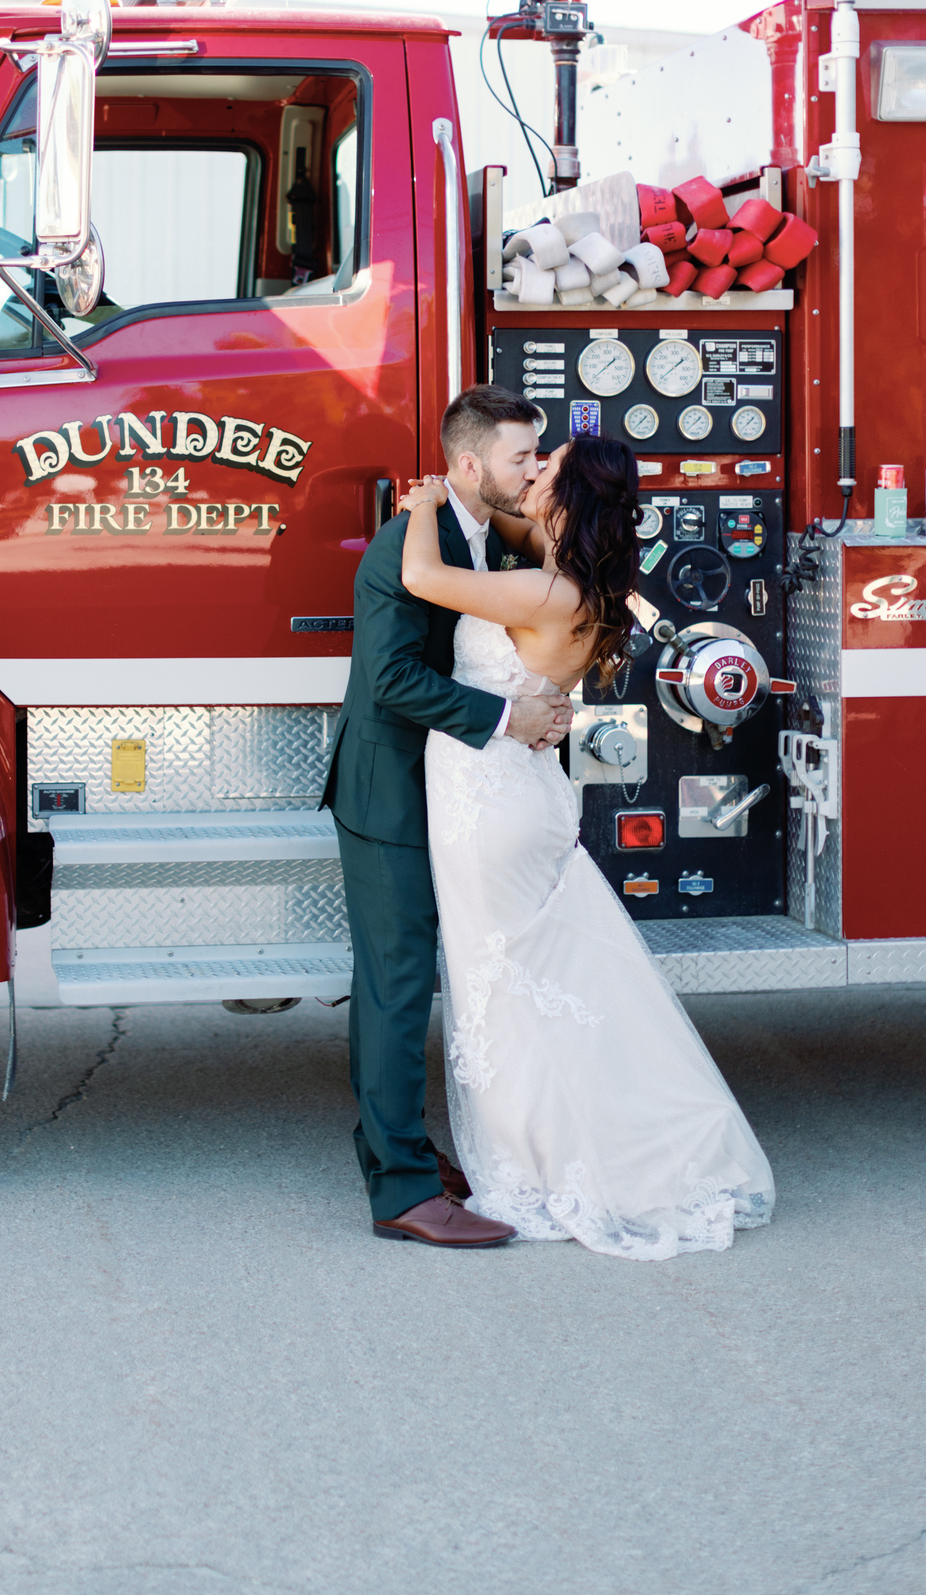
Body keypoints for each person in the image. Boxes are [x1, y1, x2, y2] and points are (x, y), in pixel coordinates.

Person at [399, 430, 775, 1260]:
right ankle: (555, 1149)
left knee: (503, 993)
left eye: (550, 469)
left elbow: (422, 577)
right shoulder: (575, 578)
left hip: (490, 805)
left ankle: (541, 1166)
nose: (534, 471)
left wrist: (426, 503)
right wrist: (509, 503)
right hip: (510, 796)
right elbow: (528, 531)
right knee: (526, 987)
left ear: (570, 500)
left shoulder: (544, 592)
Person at [322, 387, 573, 1247]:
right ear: (469, 464)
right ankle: (399, 1192)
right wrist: (511, 719)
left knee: (403, 983)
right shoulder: (408, 541)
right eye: (518, 458)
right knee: (395, 990)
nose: (532, 470)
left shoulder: (478, 527)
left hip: (444, 789)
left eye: (538, 456)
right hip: (387, 794)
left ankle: (403, 1151)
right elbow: (390, 680)